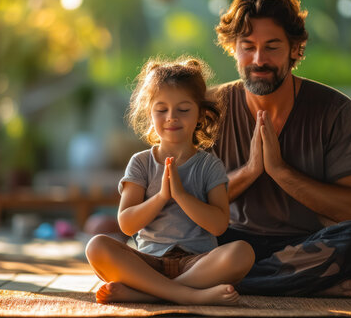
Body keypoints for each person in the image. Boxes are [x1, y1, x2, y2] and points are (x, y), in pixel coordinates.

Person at [209, 0, 351, 297]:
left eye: (272, 47)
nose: (259, 59)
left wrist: (279, 170)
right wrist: (250, 171)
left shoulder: (334, 110)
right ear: (233, 48)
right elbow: (186, 203)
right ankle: (304, 284)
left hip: (301, 247)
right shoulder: (209, 108)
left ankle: (227, 283)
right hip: (227, 243)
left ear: (294, 48)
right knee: (167, 234)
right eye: (248, 47)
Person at [85, 56, 255, 305]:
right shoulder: (141, 162)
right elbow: (126, 225)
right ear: (150, 114)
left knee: (243, 253)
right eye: (161, 110)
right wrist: (162, 196)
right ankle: (187, 296)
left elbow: (219, 225)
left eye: (183, 110)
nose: (171, 117)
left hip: (196, 264)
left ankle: (147, 294)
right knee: (96, 246)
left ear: (199, 114)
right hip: (148, 263)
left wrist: (181, 195)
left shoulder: (209, 166)